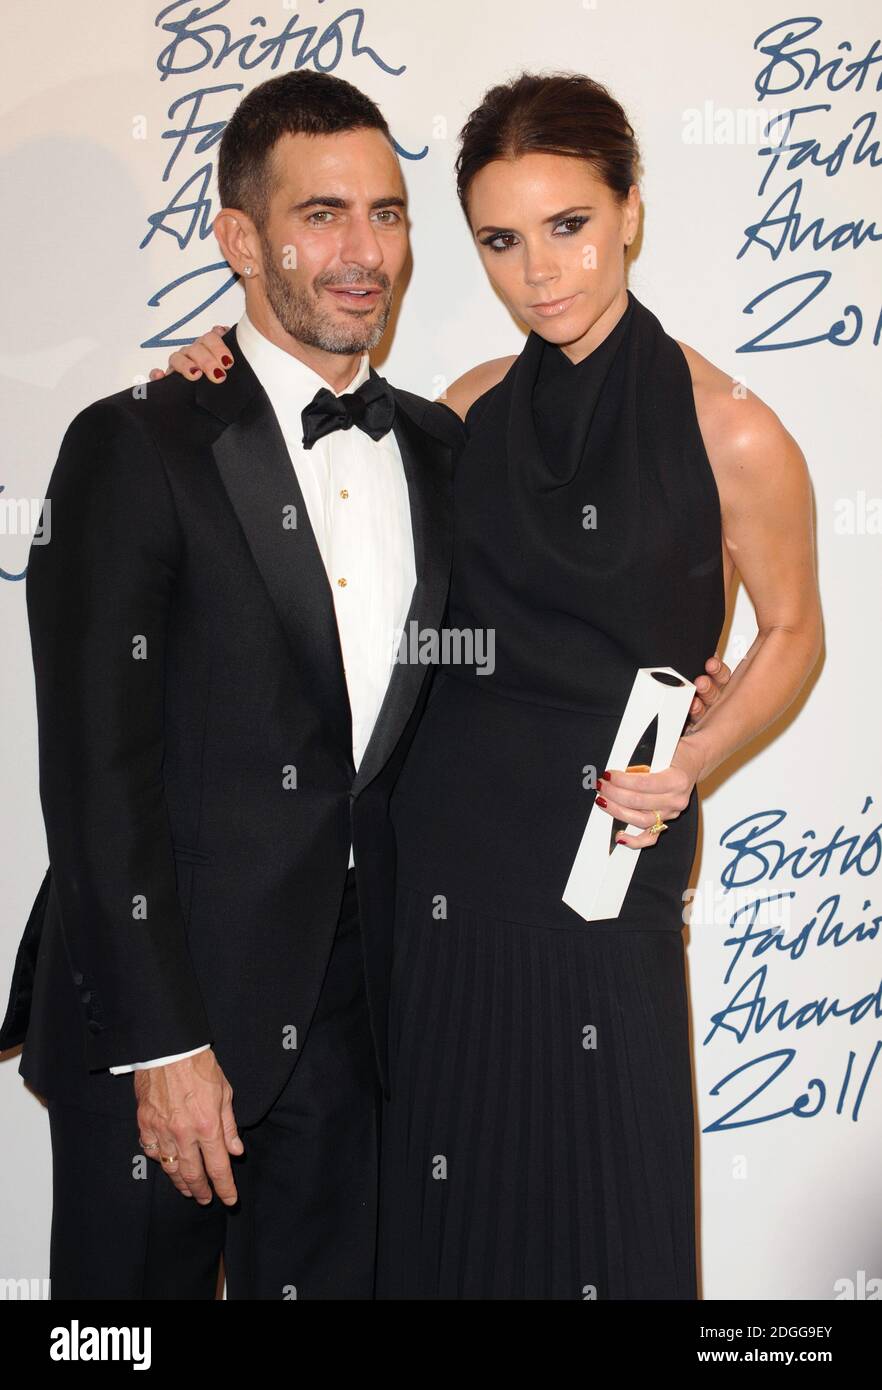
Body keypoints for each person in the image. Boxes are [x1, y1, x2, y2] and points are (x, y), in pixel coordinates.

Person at [151, 73, 780, 1300]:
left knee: (610, 1202)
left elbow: (796, 632)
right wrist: (217, 368)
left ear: (632, 212)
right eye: (500, 239)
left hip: (607, 869)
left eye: (570, 226)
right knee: (445, 1228)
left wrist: (695, 757)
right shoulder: (461, 414)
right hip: (439, 877)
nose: (541, 272)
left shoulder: (734, 426)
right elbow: (354, 532)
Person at [0, 69, 468, 1300]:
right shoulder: (136, 441)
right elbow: (96, 769)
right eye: (321, 215)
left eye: (387, 212)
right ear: (239, 239)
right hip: (169, 1015)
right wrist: (164, 1043)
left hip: (363, 1031)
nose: (364, 251)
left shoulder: (442, 448)